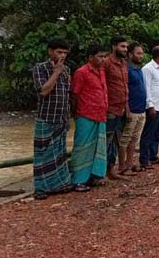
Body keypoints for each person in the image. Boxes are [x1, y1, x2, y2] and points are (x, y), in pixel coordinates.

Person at [31, 38, 73, 200]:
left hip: (61, 117)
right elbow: (43, 91)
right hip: (46, 117)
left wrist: (68, 116)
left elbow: (67, 94)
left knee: (59, 153)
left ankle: (59, 184)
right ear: (50, 52)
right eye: (59, 52)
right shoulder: (40, 68)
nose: (62, 56)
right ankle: (41, 187)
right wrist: (56, 72)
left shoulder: (67, 70)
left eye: (65, 53)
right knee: (42, 153)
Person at [69, 44, 109, 189]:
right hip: (85, 115)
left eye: (105, 56)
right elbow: (74, 95)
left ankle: (95, 176)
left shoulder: (102, 71)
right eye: (100, 56)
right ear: (91, 58)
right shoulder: (82, 72)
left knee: (98, 147)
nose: (103, 59)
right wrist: (75, 114)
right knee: (82, 148)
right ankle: (78, 180)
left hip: (100, 115)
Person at [139, 45, 159, 170]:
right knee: (149, 133)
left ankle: (153, 155)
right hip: (154, 107)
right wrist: (150, 106)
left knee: (157, 133)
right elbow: (146, 88)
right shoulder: (148, 69)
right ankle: (144, 158)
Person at [103, 35, 129, 180]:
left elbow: (124, 87)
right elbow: (102, 85)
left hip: (121, 109)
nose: (125, 49)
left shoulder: (124, 63)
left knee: (114, 141)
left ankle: (111, 170)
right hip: (110, 109)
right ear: (114, 46)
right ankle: (102, 172)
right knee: (106, 141)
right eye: (122, 46)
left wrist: (127, 108)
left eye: (126, 47)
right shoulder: (106, 63)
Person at [118, 42, 146, 174]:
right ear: (130, 54)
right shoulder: (126, 70)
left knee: (135, 139)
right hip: (132, 110)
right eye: (138, 53)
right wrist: (127, 109)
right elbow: (124, 91)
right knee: (125, 139)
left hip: (141, 110)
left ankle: (130, 163)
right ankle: (122, 166)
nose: (141, 56)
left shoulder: (138, 69)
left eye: (142, 53)